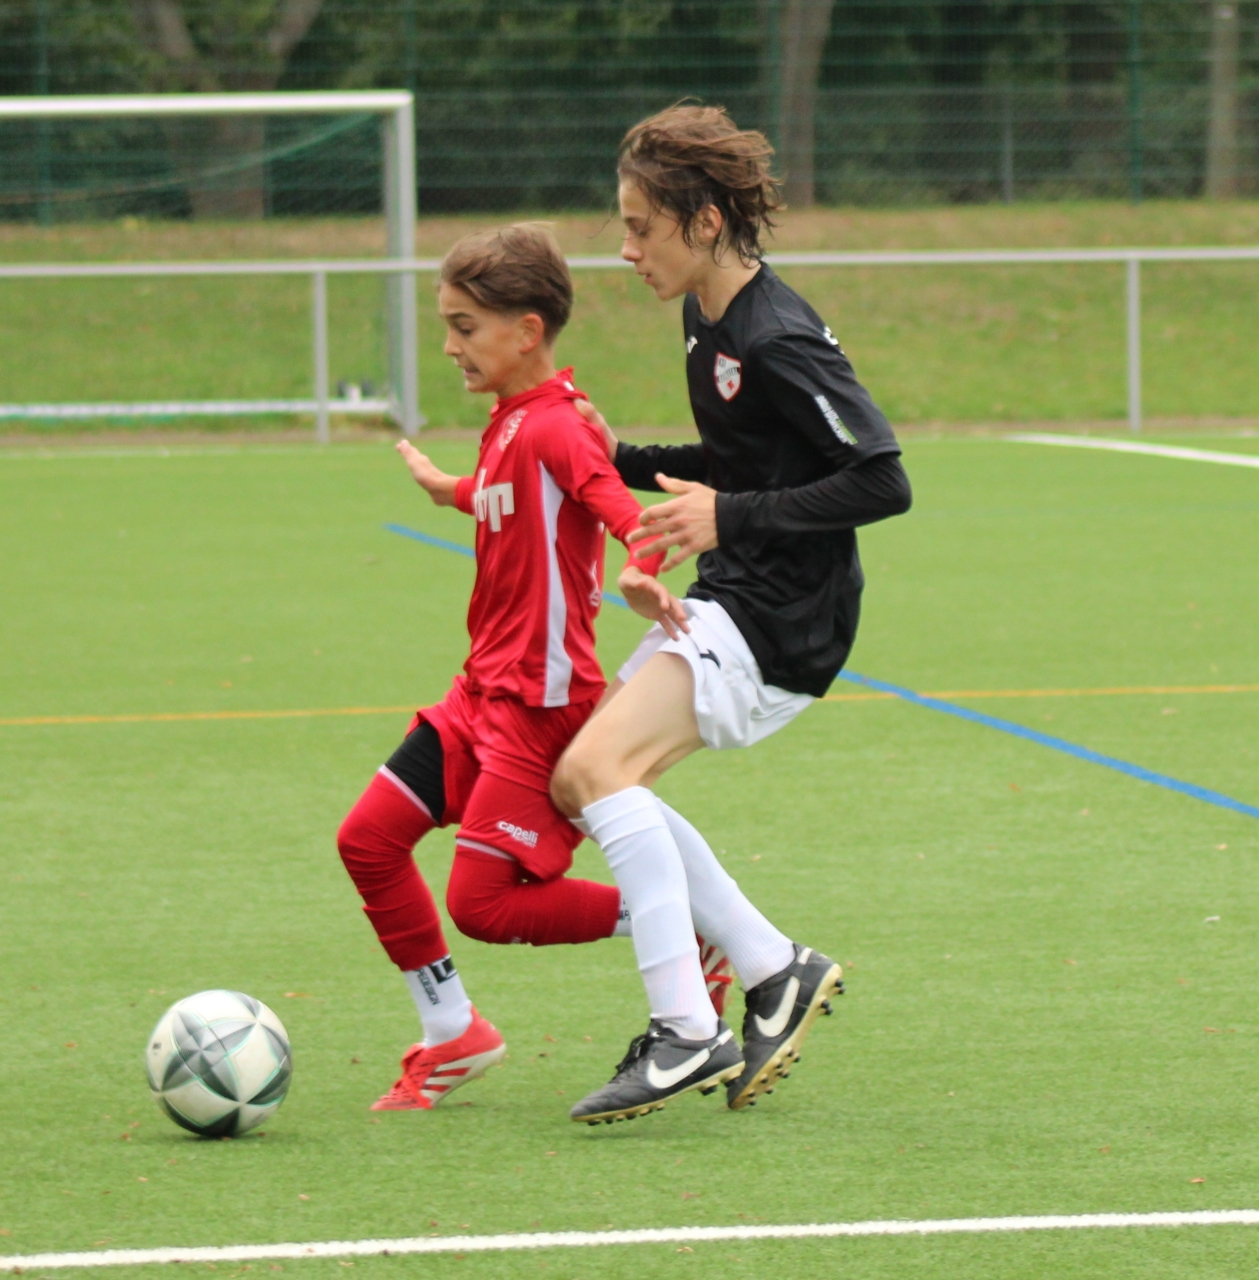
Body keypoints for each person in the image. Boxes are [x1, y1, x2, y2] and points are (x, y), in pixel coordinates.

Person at [551, 105, 914, 1125]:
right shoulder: (706, 320)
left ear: (705, 222)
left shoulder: (777, 334)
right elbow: (746, 459)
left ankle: (684, 1030)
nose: (627, 250)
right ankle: (769, 967)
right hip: (738, 594)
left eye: (641, 228)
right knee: (584, 781)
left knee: (596, 771)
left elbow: (882, 479)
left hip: (786, 617)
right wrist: (625, 460)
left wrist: (730, 516)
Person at [336, 224, 731, 1112]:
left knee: (483, 905)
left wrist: (642, 563)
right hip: (479, 695)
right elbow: (510, 497)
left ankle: (682, 925)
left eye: (464, 327)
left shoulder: (557, 425)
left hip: (539, 708)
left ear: (525, 331)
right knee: (367, 841)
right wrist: (452, 491)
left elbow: (615, 505)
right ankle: (453, 1033)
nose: (450, 346)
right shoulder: (512, 420)